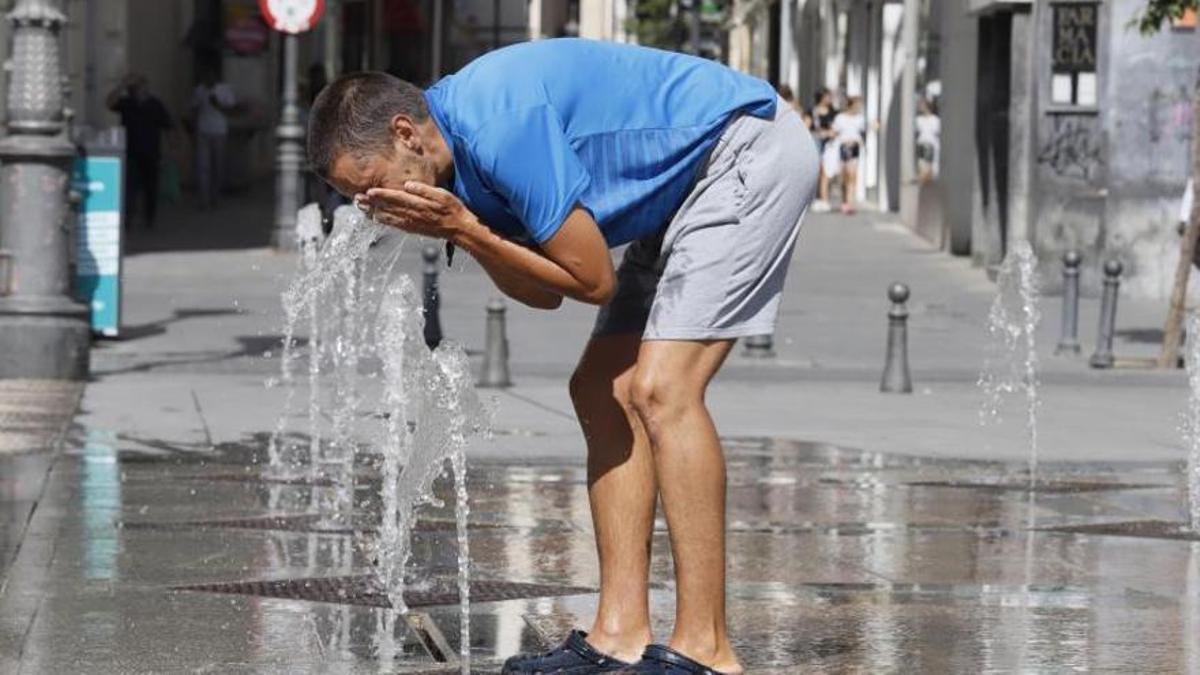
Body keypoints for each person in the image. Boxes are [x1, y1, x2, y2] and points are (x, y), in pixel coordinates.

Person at [308, 39, 817, 675]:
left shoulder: (498, 127)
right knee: (598, 388)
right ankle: (619, 635)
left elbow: (591, 279)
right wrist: (469, 230)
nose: (378, 209)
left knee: (663, 390)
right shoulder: (453, 169)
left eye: (376, 188)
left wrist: (466, 231)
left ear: (406, 133)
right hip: (680, 192)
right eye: (363, 202)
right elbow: (544, 292)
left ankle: (707, 650)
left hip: (744, 152)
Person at [106, 74, 172, 229]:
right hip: (131, 152)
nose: (136, 89)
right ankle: (128, 219)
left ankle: (149, 218)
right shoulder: (126, 103)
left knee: (151, 188)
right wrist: (120, 86)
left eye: (139, 86)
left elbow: (168, 126)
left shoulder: (155, 104)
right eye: (133, 87)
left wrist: (171, 149)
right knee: (130, 187)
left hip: (151, 152)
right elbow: (109, 103)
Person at [190, 67, 236, 210]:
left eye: (210, 76)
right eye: (205, 76)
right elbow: (194, 108)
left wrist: (217, 104)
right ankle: (204, 200)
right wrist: (192, 126)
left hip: (219, 131)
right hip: (203, 130)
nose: (207, 79)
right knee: (203, 166)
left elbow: (231, 109)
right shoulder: (199, 90)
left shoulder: (224, 89)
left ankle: (215, 197)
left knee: (218, 165)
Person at [831, 96, 866, 215]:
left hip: (855, 147)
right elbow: (834, 132)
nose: (858, 108)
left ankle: (850, 203)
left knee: (853, 175)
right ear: (850, 105)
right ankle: (844, 201)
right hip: (843, 147)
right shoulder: (840, 118)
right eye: (857, 105)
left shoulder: (860, 119)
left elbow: (863, 132)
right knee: (844, 176)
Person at [810, 88, 838, 212]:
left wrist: (831, 133)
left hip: (830, 146)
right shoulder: (813, 111)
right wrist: (821, 133)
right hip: (816, 143)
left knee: (826, 172)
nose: (830, 99)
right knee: (818, 171)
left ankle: (824, 199)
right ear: (821, 97)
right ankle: (818, 199)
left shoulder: (833, 112)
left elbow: (837, 127)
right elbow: (806, 127)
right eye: (828, 96)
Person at [915, 97, 941, 183]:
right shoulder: (918, 119)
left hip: (931, 144)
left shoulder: (935, 120)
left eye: (922, 105)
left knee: (929, 165)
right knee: (921, 164)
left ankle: (928, 180)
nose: (920, 107)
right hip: (921, 143)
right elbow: (916, 132)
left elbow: (938, 133)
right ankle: (924, 180)